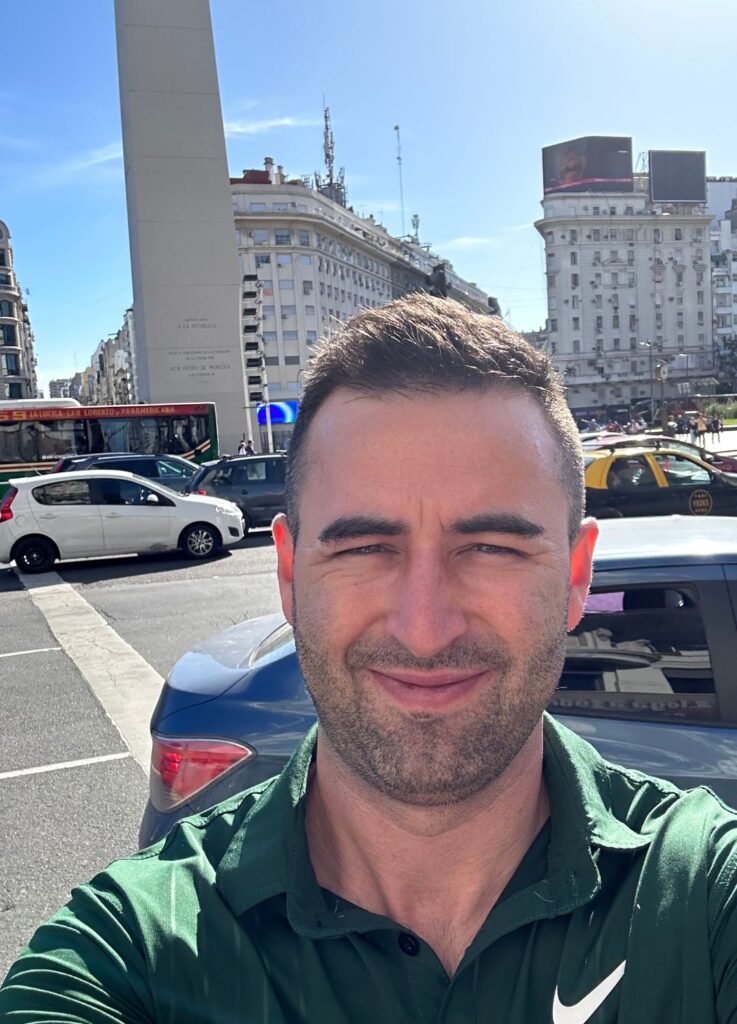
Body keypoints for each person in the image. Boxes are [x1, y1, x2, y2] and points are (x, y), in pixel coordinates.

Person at [4, 293, 737, 1022]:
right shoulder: (135, 949)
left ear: (575, 578)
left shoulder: (704, 892)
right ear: (289, 576)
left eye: (490, 548)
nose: (424, 629)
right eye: (362, 548)